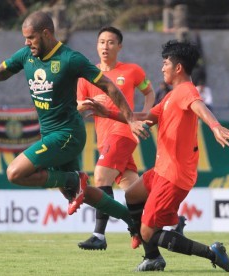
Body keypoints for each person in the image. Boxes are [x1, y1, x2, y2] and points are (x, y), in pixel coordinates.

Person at [0, 11, 140, 233]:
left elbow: (109, 85)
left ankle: (72, 179)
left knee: (15, 173)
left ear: (46, 33)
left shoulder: (71, 59)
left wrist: (131, 118)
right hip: (49, 134)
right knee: (81, 192)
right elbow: (0, 71)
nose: (26, 42)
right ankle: (132, 221)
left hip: (68, 134)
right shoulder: (26, 56)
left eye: (31, 37)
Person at [84, 40, 229, 272]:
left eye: (165, 63)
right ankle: (152, 254)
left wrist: (215, 126)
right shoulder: (170, 96)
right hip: (161, 171)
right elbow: (145, 115)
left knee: (149, 232)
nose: (162, 67)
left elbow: (199, 106)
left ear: (178, 68)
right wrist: (108, 112)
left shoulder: (187, 90)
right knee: (132, 196)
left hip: (174, 176)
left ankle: (212, 253)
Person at [76, 26, 155, 250]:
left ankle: (98, 236)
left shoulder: (131, 71)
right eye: (102, 42)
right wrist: (82, 105)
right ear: (96, 45)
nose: (105, 46)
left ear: (119, 46)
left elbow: (148, 92)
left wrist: (145, 115)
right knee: (133, 191)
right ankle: (168, 223)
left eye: (111, 42)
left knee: (100, 175)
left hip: (123, 132)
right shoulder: (88, 76)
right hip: (104, 138)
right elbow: (78, 104)